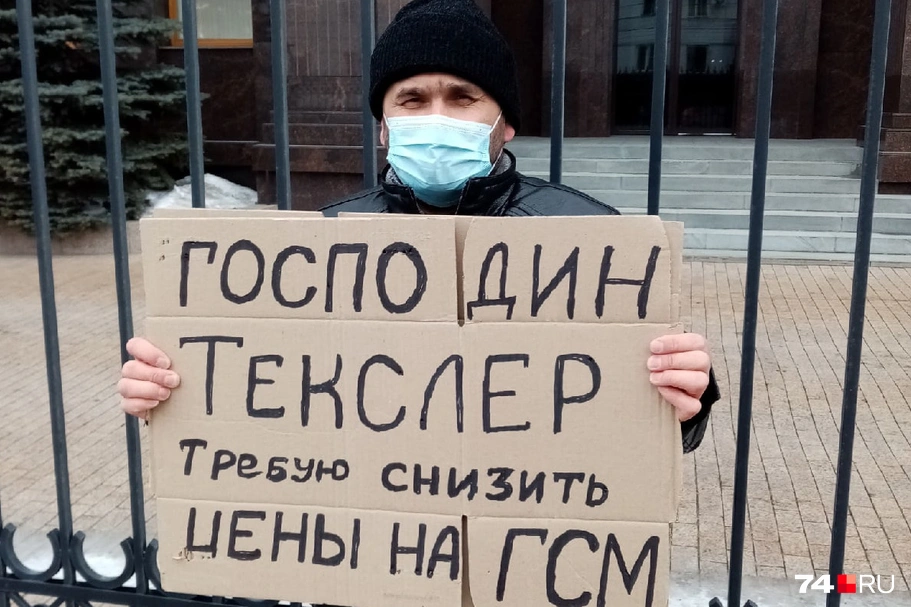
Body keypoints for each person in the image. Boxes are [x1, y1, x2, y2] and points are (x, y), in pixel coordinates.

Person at [120, 0, 719, 453]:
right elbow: (267, 407)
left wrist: (687, 400)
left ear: (505, 123)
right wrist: (174, 395)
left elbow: (640, 438)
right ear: (384, 125)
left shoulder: (593, 239)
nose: (437, 117)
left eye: (463, 98)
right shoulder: (323, 245)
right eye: (412, 99)